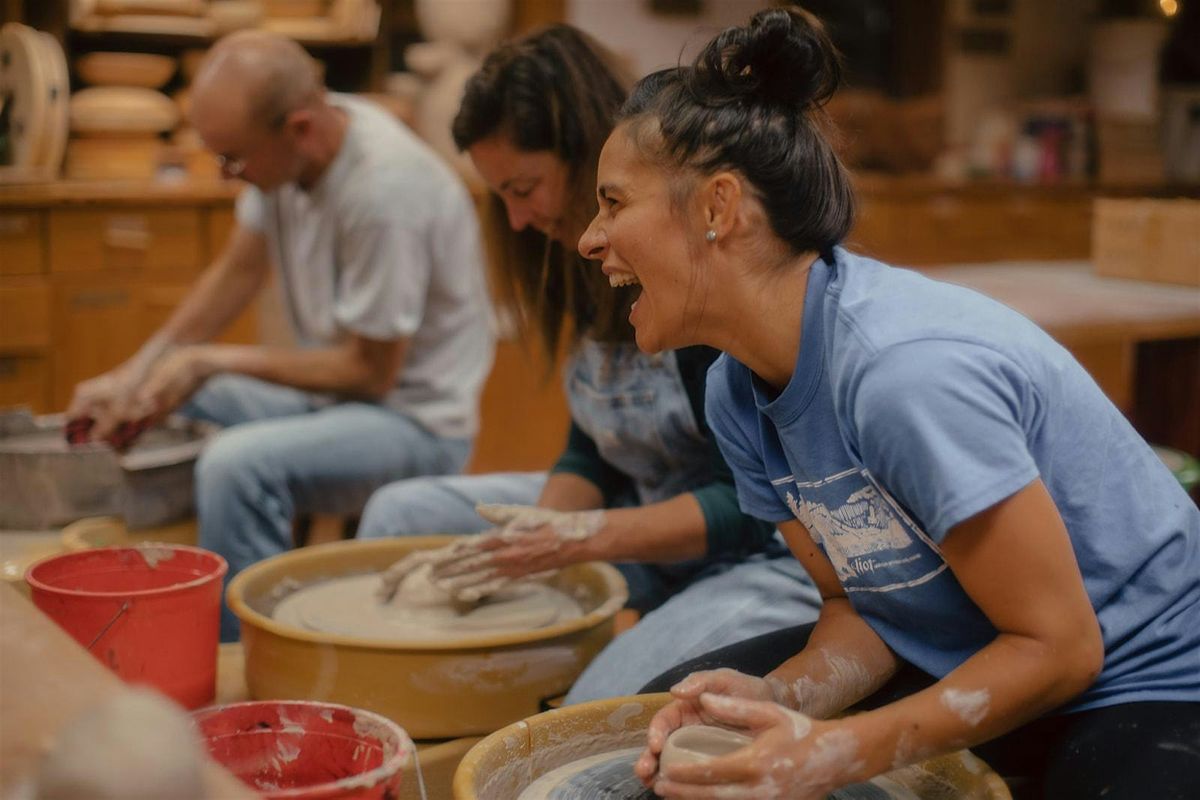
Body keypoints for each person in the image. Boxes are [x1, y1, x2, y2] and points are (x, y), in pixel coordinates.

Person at [576, 8, 1200, 799]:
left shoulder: (905, 375)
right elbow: (860, 607)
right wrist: (783, 699)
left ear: (717, 209)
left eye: (613, 203)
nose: (590, 240)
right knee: (667, 740)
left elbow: (1061, 649)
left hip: (1142, 670)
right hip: (961, 642)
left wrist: (832, 750)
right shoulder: (737, 388)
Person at [357, 24, 822, 704]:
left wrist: (573, 542)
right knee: (400, 516)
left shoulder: (707, 284)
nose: (517, 220)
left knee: (588, 716)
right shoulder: (589, 261)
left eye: (525, 187)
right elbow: (596, 441)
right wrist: (541, 534)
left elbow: (757, 507)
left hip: (757, 551)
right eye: (500, 196)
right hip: (645, 509)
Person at [66, 31, 495, 641]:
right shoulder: (299, 144)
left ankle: (249, 656)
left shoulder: (384, 190)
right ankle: (169, 599)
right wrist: (132, 376)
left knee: (234, 466)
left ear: (298, 128)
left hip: (414, 422)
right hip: (339, 400)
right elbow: (236, 273)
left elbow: (370, 373)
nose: (225, 176)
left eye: (234, 160)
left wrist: (209, 359)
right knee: (170, 393)